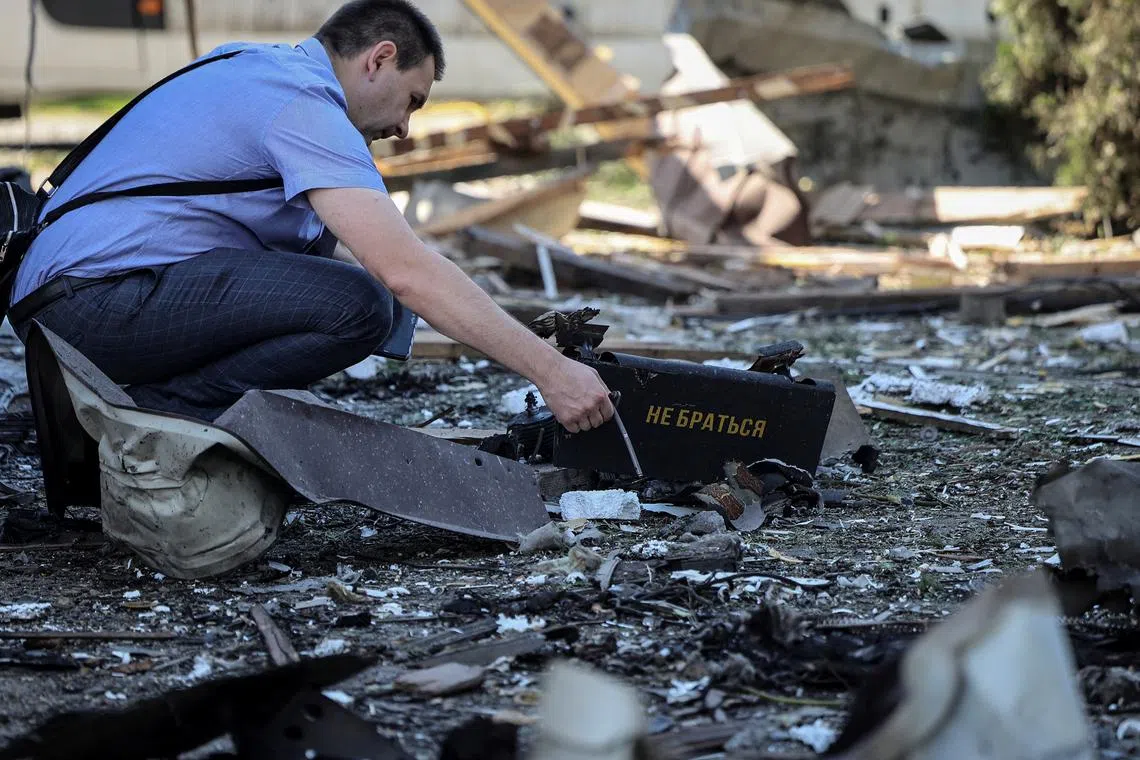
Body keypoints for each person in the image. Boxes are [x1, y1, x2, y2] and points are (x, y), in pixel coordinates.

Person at [8, 0, 614, 431]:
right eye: (412, 102)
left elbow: (384, 258)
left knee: (353, 280)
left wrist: (488, 318)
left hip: (71, 300)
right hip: (89, 307)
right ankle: (149, 413)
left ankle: (137, 407)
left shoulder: (255, 65)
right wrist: (550, 373)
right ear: (378, 59)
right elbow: (404, 273)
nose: (404, 128)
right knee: (359, 303)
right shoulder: (302, 104)